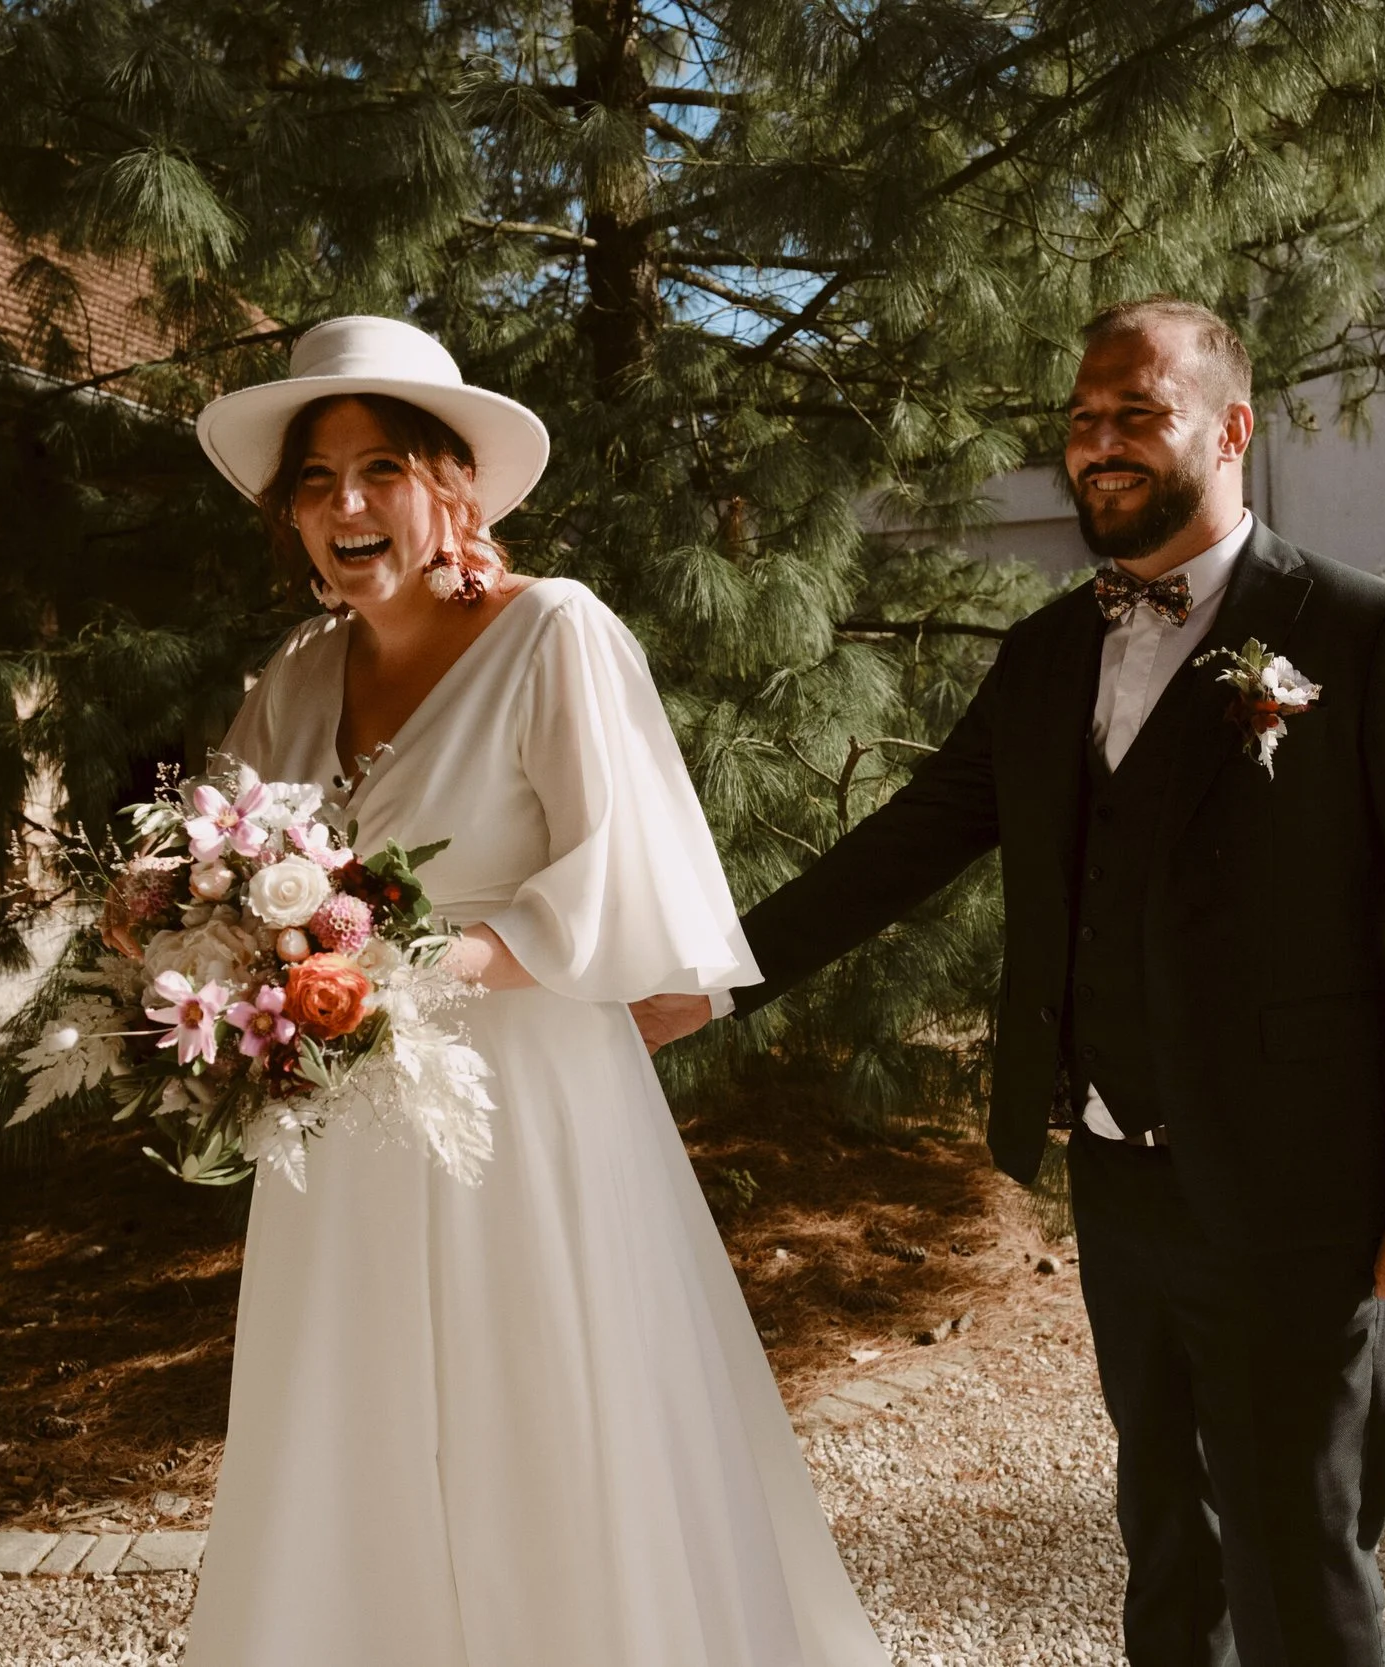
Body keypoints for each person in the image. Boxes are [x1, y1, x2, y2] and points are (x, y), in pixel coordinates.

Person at [633, 297, 1385, 1667]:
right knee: (1168, 1534)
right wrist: (709, 980)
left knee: (1299, 1548)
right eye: (1082, 420)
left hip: (1304, 1187)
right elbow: (903, 847)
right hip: (1119, 1182)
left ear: (1233, 429)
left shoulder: (1368, 636)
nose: (1102, 443)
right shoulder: (1049, 652)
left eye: (1140, 413)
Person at [181, 316, 889, 1667]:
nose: (345, 506)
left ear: (451, 484)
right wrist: (179, 929)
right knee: (355, 1420)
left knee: (549, 1414)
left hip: (527, 1103)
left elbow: (627, 878)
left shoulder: (552, 629)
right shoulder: (292, 677)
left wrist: (411, 967)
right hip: (343, 1127)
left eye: (378, 467)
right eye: (315, 482)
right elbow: (220, 859)